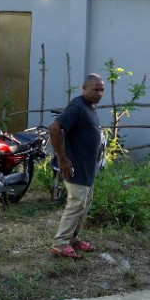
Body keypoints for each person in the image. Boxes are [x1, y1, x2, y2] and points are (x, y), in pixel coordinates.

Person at [49, 74, 106, 258]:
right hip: (76, 166)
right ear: (84, 88)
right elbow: (54, 127)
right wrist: (62, 158)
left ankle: (73, 239)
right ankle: (60, 243)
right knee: (75, 204)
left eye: (101, 90)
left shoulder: (89, 107)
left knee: (83, 205)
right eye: (95, 89)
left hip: (88, 169)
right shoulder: (77, 106)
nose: (99, 93)